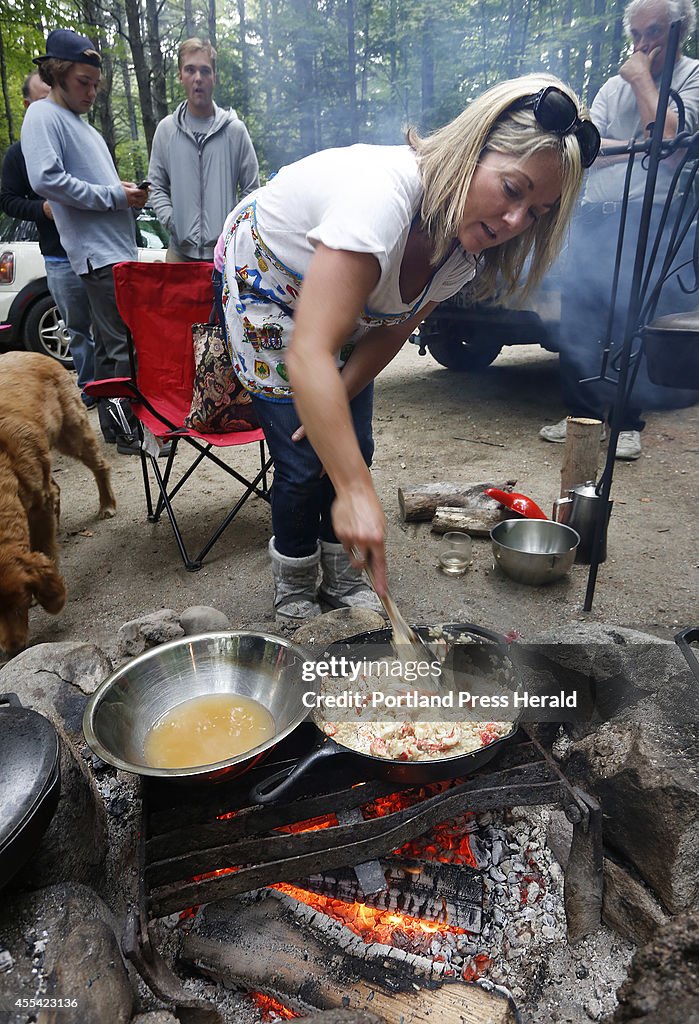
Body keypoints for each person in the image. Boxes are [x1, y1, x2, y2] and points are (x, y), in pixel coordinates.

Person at [217, 73, 598, 623]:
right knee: (304, 462)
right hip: (269, 287)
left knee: (354, 443)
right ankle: (295, 586)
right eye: (513, 190)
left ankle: (346, 582)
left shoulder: (462, 251)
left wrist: (342, 395)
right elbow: (308, 353)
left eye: (535, 212)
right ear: (471, 152)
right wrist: (351, 489)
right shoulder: (381, 199)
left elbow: (393, 328)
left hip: (339, 302)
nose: (516, 222)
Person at [539, 0, 699, 460]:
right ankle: (580, 416)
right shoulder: (611, 86)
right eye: (636, 35)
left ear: (679, 30)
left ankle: (627, 421)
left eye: (654, 33)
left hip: (652, 215)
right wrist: (635, 146)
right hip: (598, 212)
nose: (643, 45)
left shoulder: (690, 78)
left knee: (634, 316)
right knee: (581, 316)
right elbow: (586, 147)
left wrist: (642, 81)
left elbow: (669, 145)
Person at [20, 28, 150, 454]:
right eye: (83, 82)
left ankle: (120, 429)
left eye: (96, 84)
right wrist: (115, 195)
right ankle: (127, 431)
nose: (92, 92)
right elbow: (46, 180)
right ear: (57, 73)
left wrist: (122, 190)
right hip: (97, 256)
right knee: (118, 346)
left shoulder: (84, 128)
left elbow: (95, 185)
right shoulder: (42, 116)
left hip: (116, 251)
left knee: (120, 344)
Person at [0, 70, 96, 406]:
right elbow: (8, 200)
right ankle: (92, 392)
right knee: (78, 331)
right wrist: (42, 208)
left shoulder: (79, 140)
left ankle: (119, 398)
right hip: (57, 256)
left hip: (96, 251)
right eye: (43, 101)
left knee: (110, 330)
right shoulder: (18, 155)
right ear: (28, 106)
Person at [148, 37, 259, 263]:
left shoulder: (234, 131)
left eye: (205, 71)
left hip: (225, 256)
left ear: (214, 78)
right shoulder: (166, 130)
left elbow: (252, 191)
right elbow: (156, 186)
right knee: (176, 301)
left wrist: (233, 229)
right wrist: (173, 221)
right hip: (179, 254)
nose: (198, 78)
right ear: (180, 76)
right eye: (190, 70)